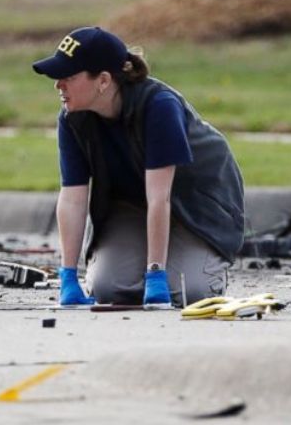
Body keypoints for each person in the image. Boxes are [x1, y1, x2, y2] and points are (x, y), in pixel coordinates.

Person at [32, 26, 245, 307]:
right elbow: (72, 197)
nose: (58, 85)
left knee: (188, 291)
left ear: (104, 81)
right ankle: (149, 263)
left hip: (195, 209)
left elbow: (160, 197)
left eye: (69, 76)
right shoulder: (73, 118)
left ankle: (194, 268)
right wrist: (68, 275)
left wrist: (155, 273)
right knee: (107, 288)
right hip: (132, 205)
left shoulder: (159, 106)